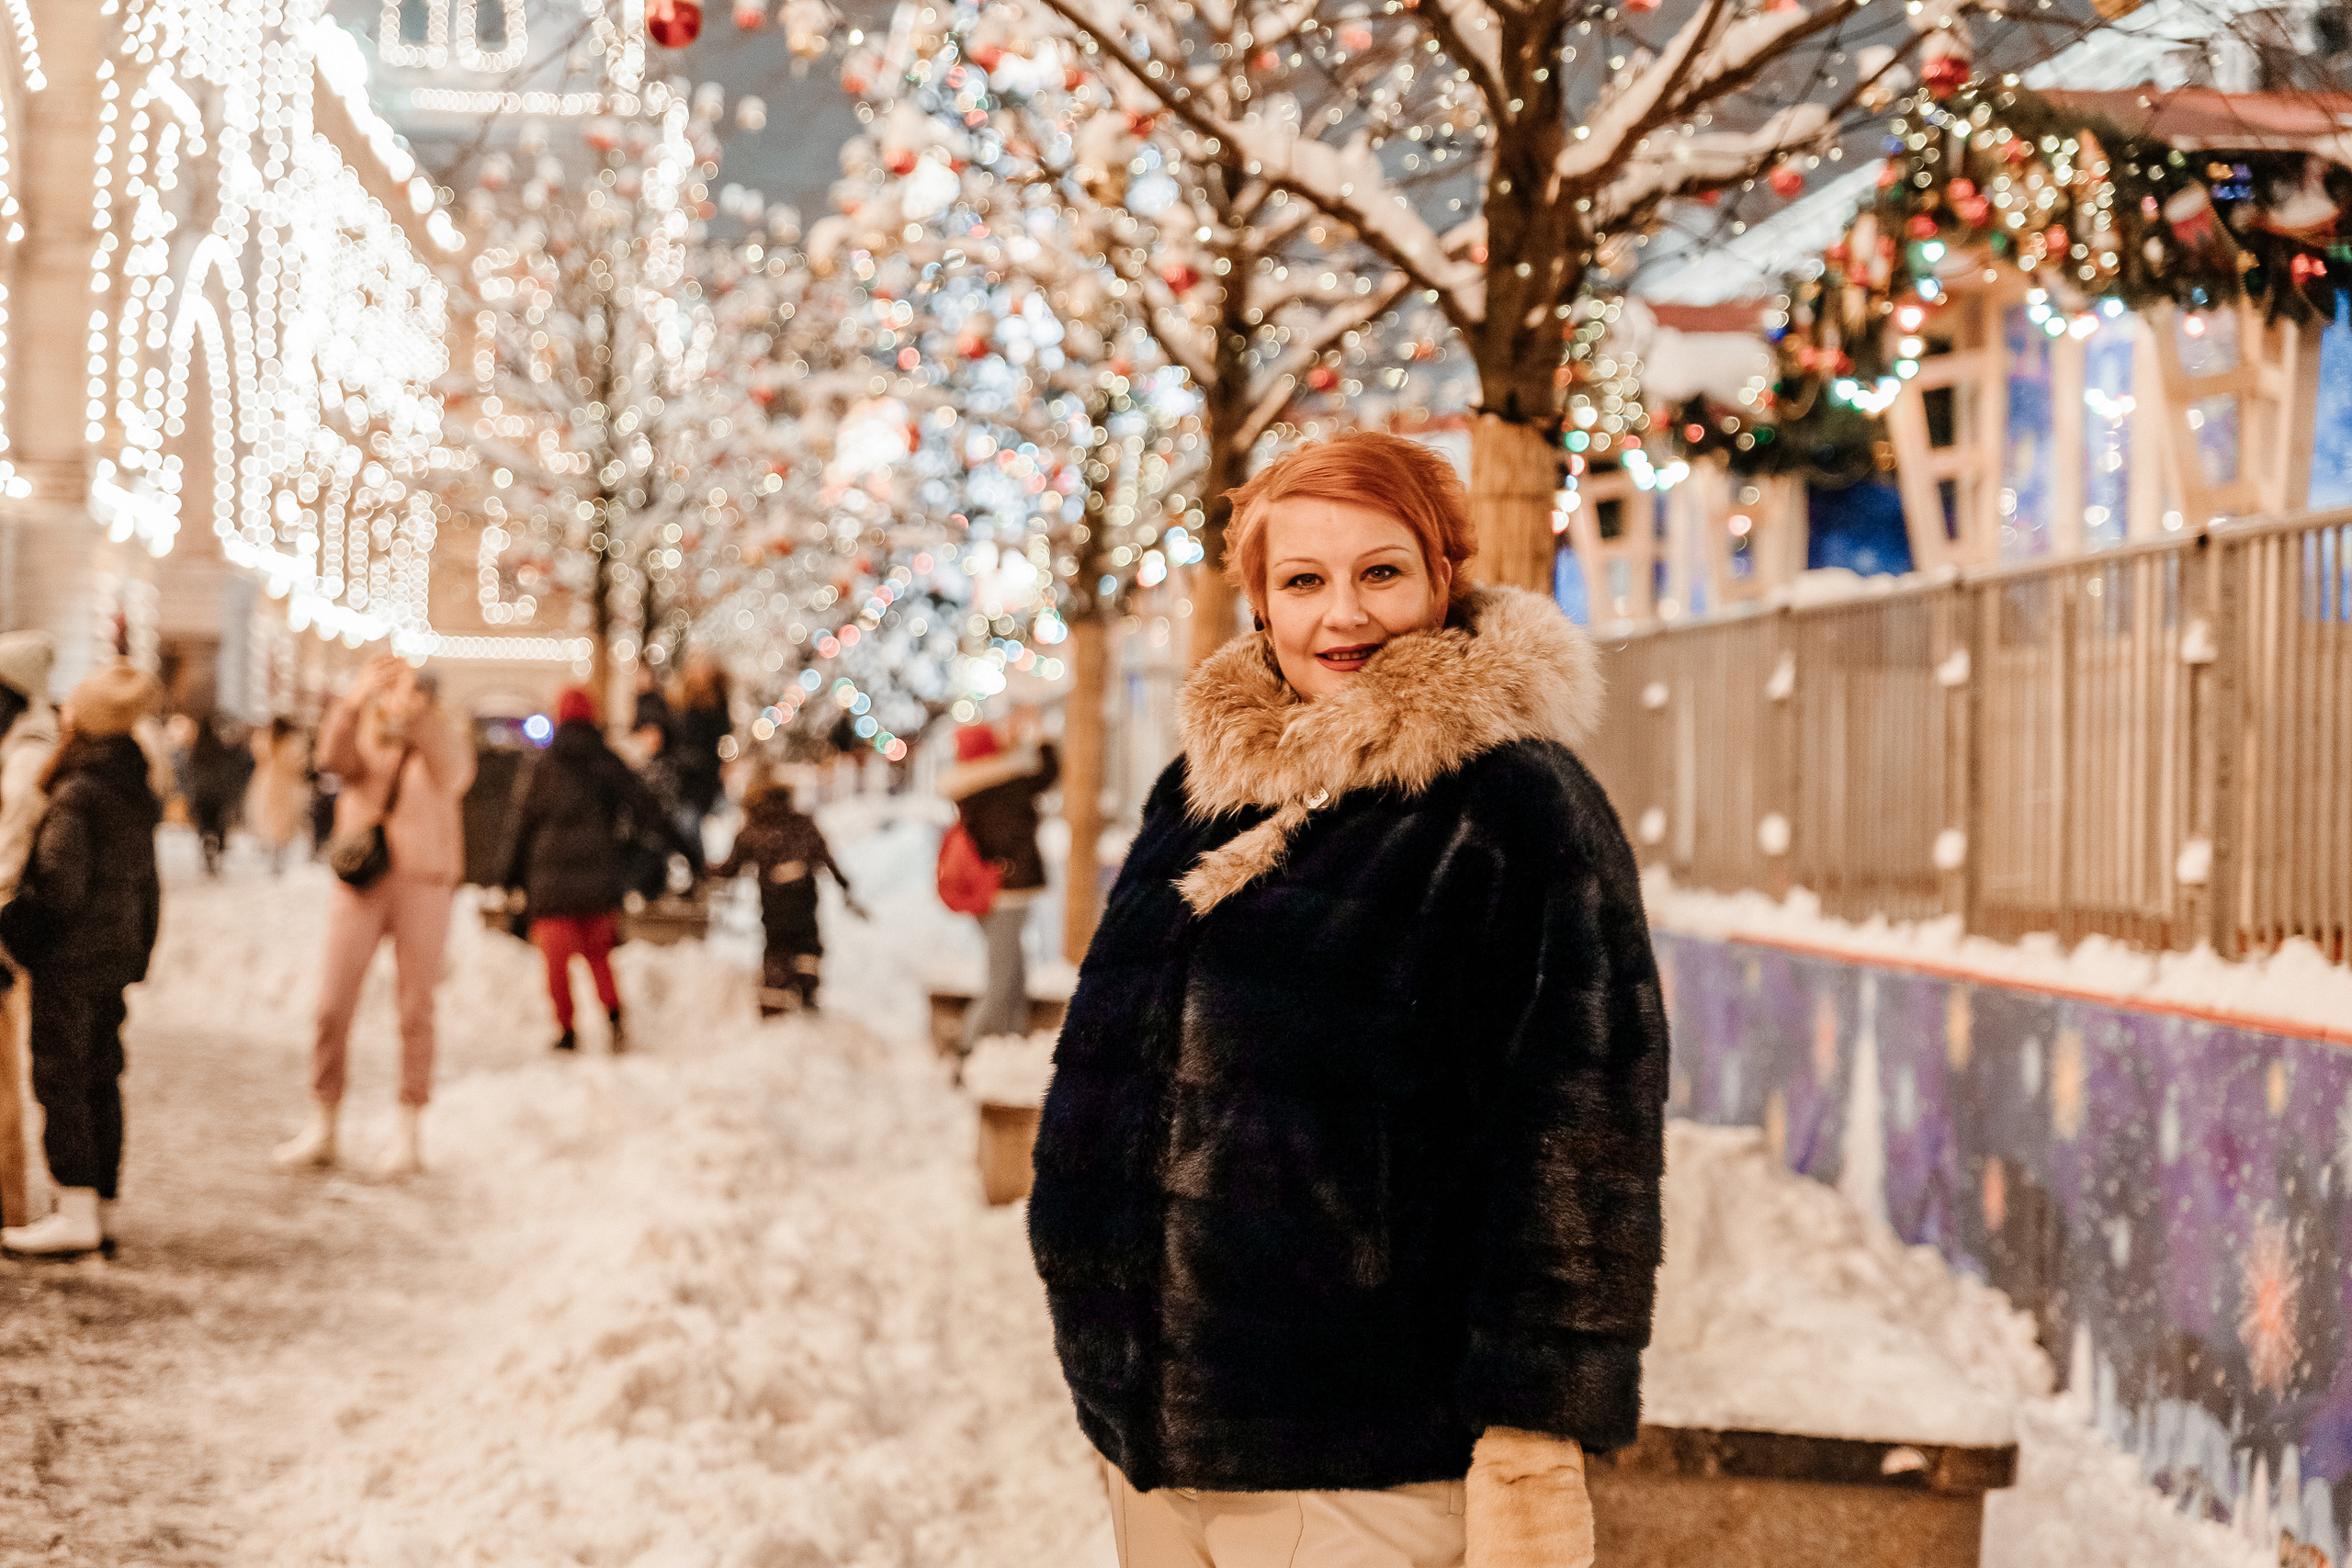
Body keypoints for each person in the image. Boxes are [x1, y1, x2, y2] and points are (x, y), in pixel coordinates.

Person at [1026, 433, 1668, 1568]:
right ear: (1260, 603)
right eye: (1302, 581)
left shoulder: (1512, 805)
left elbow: (1576, 1140)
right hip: (1156, 1452)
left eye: (1381, 573)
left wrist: (1533, 1438)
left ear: (1442, 578)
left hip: (1360, 1463)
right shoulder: (1204, 789)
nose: (1343, 618)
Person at [274, 657, 474, 1177]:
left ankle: (409, 1132)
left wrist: (419, 721)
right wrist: (354, 700)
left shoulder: (445, 737)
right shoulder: (366, 732)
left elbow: (452, 775)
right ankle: (324, 1122)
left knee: (414, 1011)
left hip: (425, 883)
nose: (397, 700)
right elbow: (331, 758)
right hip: (362, 880)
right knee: (331, 1006)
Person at [0, 661, 164, 1258]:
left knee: (61, 1078)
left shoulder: (75, 790)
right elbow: (148, 885)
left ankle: (73, 1206)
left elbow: (59, 885)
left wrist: (15, 930)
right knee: (100, 1076)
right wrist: (138, 947)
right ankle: (101, 1207)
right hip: (112, 954)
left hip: (70, 958)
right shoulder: (131, 787)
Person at [502, 687, 683, 1053]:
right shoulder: (608, 761)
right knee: (599, 957)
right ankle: (614, 1018)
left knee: (555, 965)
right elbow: (646, 809)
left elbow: (523, 824)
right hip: (600, 878)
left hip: (550, 881)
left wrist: (509, 876)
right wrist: (680, 849)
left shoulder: (542, 765)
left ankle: (567, 1031)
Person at [938, 720, 1057, 1054]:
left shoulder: (974, 790)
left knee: (1014, 973)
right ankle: (967, 1048)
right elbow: (1046, 773)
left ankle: (1010, 1043)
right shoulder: (1004, 786)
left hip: (995, 892)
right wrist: (1039, 736)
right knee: (1004, 978)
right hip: (1007, 892)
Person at [707, 776, 861, 1015]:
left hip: (774, 904)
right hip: (804, 901)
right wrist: (844, 884)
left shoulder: (754, 829)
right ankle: (807, 993)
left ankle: (774, 1006)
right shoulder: (802, 824)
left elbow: (730, 868)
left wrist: (705, 869)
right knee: (807, 945)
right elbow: (825, 857)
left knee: (777, 949)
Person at [665, 655, 730, 876]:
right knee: (685, 825)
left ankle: (699, 870)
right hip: (682, 775)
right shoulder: (679, 702)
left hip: (703, 776)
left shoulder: (717, 704)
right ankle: (697, 870)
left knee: (689, 823)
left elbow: (721, 737)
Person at [246, 716, 311, 874]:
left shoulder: (265, 741)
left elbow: (255, 749)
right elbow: (300, 765)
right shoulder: (293, 743)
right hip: (287, 787)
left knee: (269, 820)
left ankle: (274, 853)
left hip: (267, 785)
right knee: (284, 823)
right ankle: (279, 856)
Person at [186, 714, 246, 876]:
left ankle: (207, 841)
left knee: (205, 823)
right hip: (217, 793)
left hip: (201, 793)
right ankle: (215, 844)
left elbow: (190, 770)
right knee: (218, 823)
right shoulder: (218, 747)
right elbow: (233, 761)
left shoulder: (197, 750)